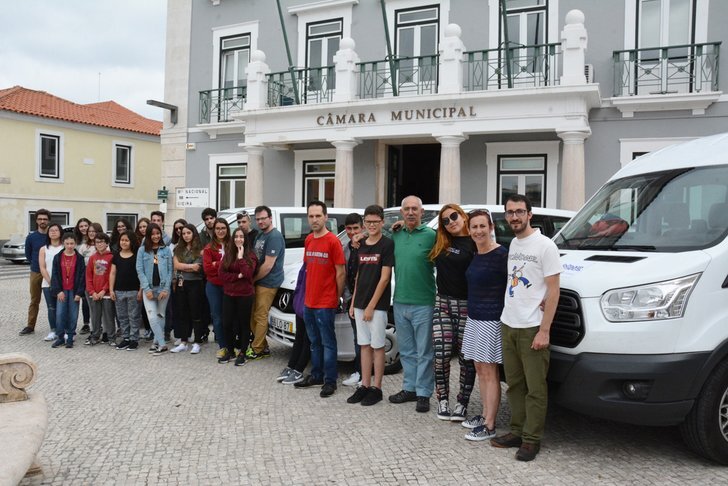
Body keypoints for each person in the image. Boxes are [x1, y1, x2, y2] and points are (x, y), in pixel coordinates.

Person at [490, 195, 561, 462]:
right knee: (515, 385)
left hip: (532, 327)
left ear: (529, 214)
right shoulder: (514, 244)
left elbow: (554, 290)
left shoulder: (545, 246)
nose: (514, 217)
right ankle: (517, 431)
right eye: (510, 212)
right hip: (509, 323)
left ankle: (532, 439)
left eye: (519, 211)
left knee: (535, 388)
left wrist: (545, 330)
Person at [460, 209, 508, 441]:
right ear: (469, 230)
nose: (478, 231)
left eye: (482, 226)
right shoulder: (476, 253)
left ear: (491, 228)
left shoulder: (501, 255)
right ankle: (484, 414)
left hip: (491, 319)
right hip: (475, 317)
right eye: (474, 227)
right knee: (480, 369)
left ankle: (490, 424)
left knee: (489, 371)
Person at [429, 204, 477, 421]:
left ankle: (462, 403)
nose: (451, 222)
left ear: (463, 216)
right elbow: (417, 230)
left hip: (467, 306)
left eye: (454, 216)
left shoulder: (475, 242)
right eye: (445, 221)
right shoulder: (441, 241)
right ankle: (443, 400)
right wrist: (400, 225)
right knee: (440, 356)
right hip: (443, 305)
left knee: (466, 359)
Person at [388, 196, 436, 413]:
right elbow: (374, 237)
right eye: (406, 209)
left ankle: (424, 393)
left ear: (421, 212)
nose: (410, 212)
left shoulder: (431, 236)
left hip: (424, 302)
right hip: (400, 301)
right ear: (401, 212)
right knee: (407, 350)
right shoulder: (396, 234)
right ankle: (409, 388)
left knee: (424, 351)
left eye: (414, 209)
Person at [295, 200, 346, 398]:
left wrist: (336, 297)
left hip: (326, 303)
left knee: (328, 343)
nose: (314, 219)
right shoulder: (309, 239)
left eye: (318, 216)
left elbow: (340, 273)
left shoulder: (333, 241)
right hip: (309, 302)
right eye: (311, 216)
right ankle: (316, 375)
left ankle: (330, 381)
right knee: (314, 342)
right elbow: (308, 269)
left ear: (326, 217)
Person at [346, 205, 394, 406]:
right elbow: (358, 275)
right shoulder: (361, 244)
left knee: (377, 346)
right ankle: (364, 385)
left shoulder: (387, 244)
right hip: (359, 303)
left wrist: (371, 306)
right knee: (364, 345)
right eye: (368, 222)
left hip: (377, 305)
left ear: (382, 222)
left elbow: (385, 278)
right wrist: (354, 302)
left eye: (375, 222)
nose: (372, 225)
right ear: (364, 223)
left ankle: (377, 388)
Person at [249, 205, 285, 360]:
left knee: (260, 315)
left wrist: (253, 279)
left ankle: (257, 349)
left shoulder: (274, 236)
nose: (260, 222)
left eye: (263, 218)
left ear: (270, 218)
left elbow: (268, 265)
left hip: (268, 282)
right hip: (259, 281)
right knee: (253, 315)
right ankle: (262, 346)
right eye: (258, 219)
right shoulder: (260, 235)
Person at [217, 227, 258, 365]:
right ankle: (230, 351)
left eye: (241, 236)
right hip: (229, 294)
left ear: (245, 239)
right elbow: (221, 274)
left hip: (245, 295)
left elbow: (248, 274)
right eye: (236, 236)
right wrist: (237, 276)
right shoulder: (228, 254)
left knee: (243, 324)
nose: (238, 239)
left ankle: (243, 353)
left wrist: (240, 258)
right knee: (227, 323)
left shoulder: (251, 255)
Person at [136, 222, 173, 356]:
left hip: (163, 289)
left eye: (158, 233)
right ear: (148, 235)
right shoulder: (142, 250)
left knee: (160, 315)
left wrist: (165, 289)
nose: (156, 236)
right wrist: (146, 289)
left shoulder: (166, 250)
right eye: (153, 234)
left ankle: (156, 342)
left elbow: (170, 270)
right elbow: (139, 270)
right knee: (152, 317)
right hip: (149, 290)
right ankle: (162, 344)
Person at [171, 224, 205, 354]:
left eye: (188, 233)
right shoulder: (178, 249)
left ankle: (197, 342)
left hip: (195, 283)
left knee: (196, 313)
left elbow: (198, 267)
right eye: (184, 233)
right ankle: (183, 342)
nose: (186, 235)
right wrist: (190, 266)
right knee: (183, 313)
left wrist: (183, 266)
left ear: (194, 233)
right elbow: (176, 265)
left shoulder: (200, 249)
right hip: (182, 283)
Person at [49, 232, 86, 348]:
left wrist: (79, 292)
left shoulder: (79, 258)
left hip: (74, 291)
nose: (70, 246)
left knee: (73, 315)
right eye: (67, 243)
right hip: (62, 291)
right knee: (60, 314)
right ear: (63, 243)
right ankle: (60, 337)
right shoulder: (58, 257)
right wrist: (58, 291)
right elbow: (54, 275)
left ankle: (70, 337)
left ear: (75, 244)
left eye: (72, 243)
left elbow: (82, 276)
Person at [20, 209, 51, 336]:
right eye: (40, 219)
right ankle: (30, 325)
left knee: (53, 301)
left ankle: (57, 326)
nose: (42, 221)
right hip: (36, 272)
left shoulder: (53, 235)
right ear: (36, 221)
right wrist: (36, 264)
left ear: (48, 221)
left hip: (51, 273)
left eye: (45, 219)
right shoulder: (31, 237)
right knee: (34, 300)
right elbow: (28, 254)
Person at [276, 262, 309, 385]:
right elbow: (300, 281)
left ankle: (299, 370)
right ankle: (291, 366)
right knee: (299, 337)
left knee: (307, 339)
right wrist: (296, 300)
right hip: (301, 303)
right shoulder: (307, 261)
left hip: (311, 305)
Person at [110, 231, 142, 351]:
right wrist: (111, 290)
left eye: (126, 240)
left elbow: (141, 273)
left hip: (134, 291)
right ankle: (126, 338)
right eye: (122, 240)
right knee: (122, 316)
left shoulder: (137, 255)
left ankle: (134, 339)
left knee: (134, 316)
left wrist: (141, 290)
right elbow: (113, 273)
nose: (124, 242)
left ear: (131, 242)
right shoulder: (116, 255)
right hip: (119, 291)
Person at [203, 217, 230, 359]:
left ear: (227, 229)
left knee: (230, 316)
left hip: (230, 286)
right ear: (214, 230)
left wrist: (216, 264)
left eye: (223, 228)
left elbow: (235, 265)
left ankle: (232, 345)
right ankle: (223, 346)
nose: (220, 231)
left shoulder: (232, 245)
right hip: (213, 286)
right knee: (217, 318)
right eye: (218, 228)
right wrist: (224, 265)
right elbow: (207, 269)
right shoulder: (209, 248)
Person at [342, 213, 363, 387]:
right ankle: (359, 371)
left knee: (367, 339)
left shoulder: (368, 245)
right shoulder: (345, 248)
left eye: (356, 228)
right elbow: (344, 274)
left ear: (362, 227)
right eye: (349, 229)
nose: (352, 232)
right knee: (357, 337)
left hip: (366, 299)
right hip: (350, 298)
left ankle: (364, 374)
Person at [85, 232, 115, 346]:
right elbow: (88, 276)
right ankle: (95, 336)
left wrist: (104, 290)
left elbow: (111, 276)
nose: (99, 244)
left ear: (107, 243)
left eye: (102, 242)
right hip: (94, 293)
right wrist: (92, 291)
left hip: (106, 293)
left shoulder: (111, 257)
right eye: (97, 242)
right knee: (95, 316)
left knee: (108, 316)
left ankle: (111, 337)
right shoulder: (92, 257)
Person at [39, 223, 64, 342]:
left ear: (60, 232)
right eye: (51, 230)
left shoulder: (64, 247)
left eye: (56, 230)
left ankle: (63, 330)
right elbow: (42, 267)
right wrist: (51, 282)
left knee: (62, 308)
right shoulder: (43, 249)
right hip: (47, 283)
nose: (53, 232)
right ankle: (53, 330)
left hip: (63, 284)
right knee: (51, 307)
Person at [78, 223, 102, 335]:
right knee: (89, 304)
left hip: (100, 278)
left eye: (94, 231)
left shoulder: (103, 245)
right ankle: (91, 326)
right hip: (87, 279)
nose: (92, 233)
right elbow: (80, 263)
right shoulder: (84, 247)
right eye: (90, 231)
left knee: (100, 304)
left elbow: (103, 265)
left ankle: (102, 326)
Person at [73, 218, 93, 333]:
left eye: (86, 225)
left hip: (96, 271)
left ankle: (98, 323)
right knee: (85, 298)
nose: (84, 228)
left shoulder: (95, 238)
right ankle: (86, 323)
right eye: (81, 226)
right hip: (82, 271)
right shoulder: (76, 241)